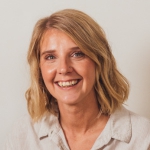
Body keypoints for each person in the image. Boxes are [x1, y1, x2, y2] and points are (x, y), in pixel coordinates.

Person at [4, 9, 150, 150]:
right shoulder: (22, 136)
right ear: (39, 69)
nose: (63, 68)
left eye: (77, 54)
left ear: (99, 61)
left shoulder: (143, 138)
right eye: (50, 57)